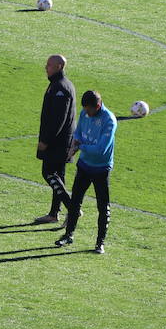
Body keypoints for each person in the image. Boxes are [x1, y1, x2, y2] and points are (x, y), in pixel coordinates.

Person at [55, 89, 117, 253]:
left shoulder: (109, 120)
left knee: (102, 206)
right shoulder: (84, 113)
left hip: (101, 168)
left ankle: (100, 243)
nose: (86, 113)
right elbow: (78, 132)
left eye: (89, 110)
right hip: (84, 165)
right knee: (75, 202)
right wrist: (75, 142)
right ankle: (68, 235)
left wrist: (79, 147)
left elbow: (101, 150)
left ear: (97, 106)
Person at [34, 54, 76, 224]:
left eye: (49, 65)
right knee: (59, 177)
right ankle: (54, 214)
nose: (46, 67)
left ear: (59, 66)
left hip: (58, 143)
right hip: (62, 142)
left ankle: (72, 208)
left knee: (49, 173)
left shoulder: (60, 88)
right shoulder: (61, 84)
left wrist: (45, 140)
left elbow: (58, 120)